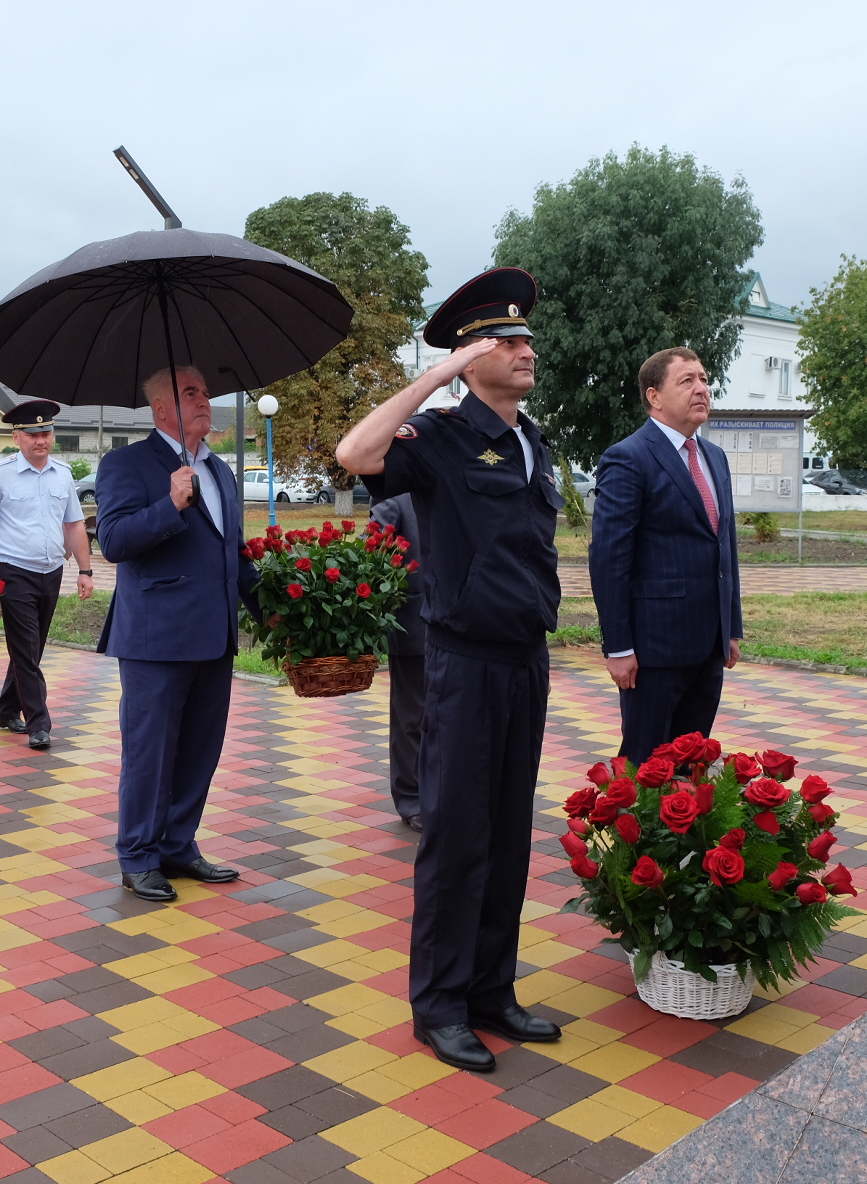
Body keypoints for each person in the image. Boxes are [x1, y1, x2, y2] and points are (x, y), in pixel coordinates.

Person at [336, 267, 565, 1073]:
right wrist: (432, 377)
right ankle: (437, 1006)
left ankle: (490, 991)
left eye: (528, 338)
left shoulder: (533, 440)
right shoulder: (433, 438)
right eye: (507, 340)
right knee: (456, 837)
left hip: (525, 660)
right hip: (463, 662)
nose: (525, 349)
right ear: (473, 357)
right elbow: (353, 452)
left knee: (506, 835)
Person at [97, 365, 258, 903]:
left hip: (214, 635)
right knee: (150, 751)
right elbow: (114, 541)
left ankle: (178, 844)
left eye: (206, 392)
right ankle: (138, 856)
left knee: (200, 748)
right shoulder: (126, 463)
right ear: (162, 408)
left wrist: (269, 608)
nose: (206, 401)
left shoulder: (221, 470)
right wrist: (170, 505)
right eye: (192, 393)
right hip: (156, 639)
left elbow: (231, 551)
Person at [589, 348, 742, 763]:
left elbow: (724, 545)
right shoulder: (628, 457)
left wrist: (732, 627)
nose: (701, 389)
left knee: (691, 765)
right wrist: (617, 647)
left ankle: (683, 831)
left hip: (708, 645)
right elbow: (609, 558)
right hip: (654, 649)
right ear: (654, 396)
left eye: (704, 379)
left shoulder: (714, 457)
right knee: (645, 766)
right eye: (687, 381)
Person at [0, 399, 94, 750]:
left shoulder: (63, 473)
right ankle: (39, 723)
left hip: (52, 571)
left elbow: (74, 525)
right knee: (27, 650)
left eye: (46, 433)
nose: (41, 440)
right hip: (13, 570)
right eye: (33, 434)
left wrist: (86, 570)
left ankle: (5, 709)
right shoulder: (0, 473)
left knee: (31, 648)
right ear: (17, 437)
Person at [367, 493, 426, 831]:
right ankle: (412, 798)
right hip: (415, 625)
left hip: (464, 624)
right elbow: (370, 548)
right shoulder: (399, 497)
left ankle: (446, 792)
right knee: (412, 718)